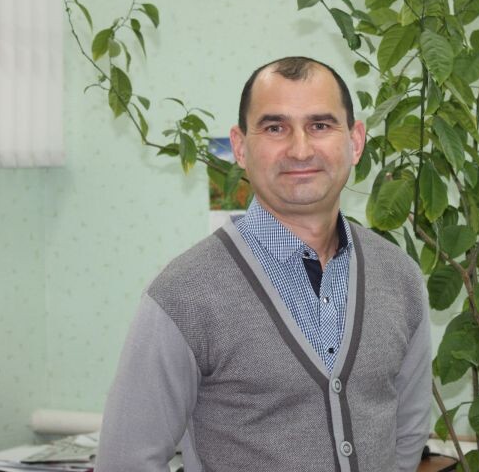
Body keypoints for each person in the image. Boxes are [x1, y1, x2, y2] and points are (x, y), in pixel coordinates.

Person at [95, 56, 431, 472]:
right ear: (240, 147)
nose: (300, 149)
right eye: (275, 128)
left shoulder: (400, 278)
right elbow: (126, 460)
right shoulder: (183, 295)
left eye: (320, 125)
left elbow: (407, 435)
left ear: (355, 141)